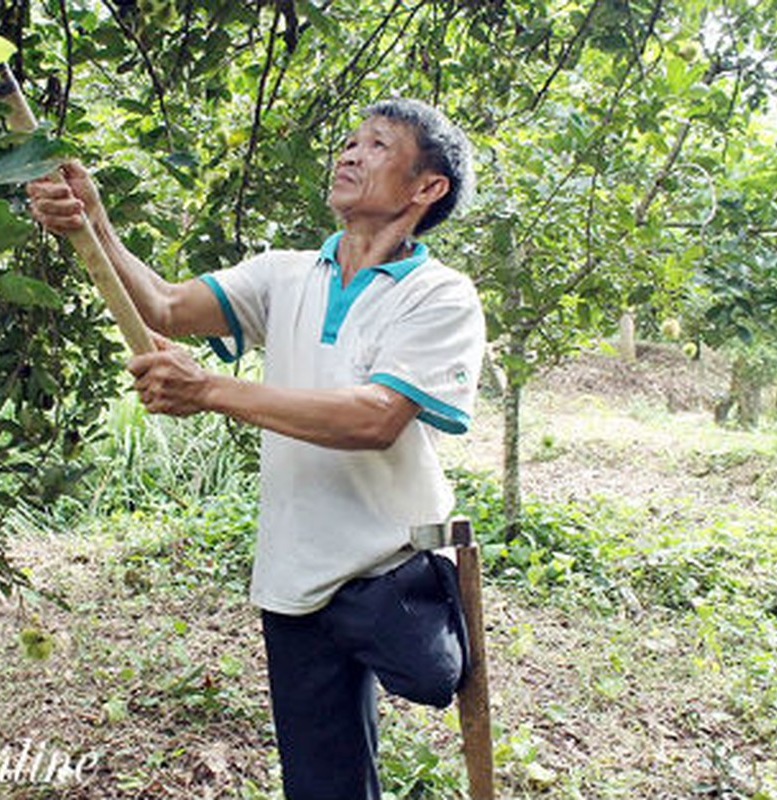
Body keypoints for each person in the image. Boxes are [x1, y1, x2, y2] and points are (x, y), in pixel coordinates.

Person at [27, 97, 485, 800]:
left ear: (427, 188)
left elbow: (375, 419)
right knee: (321, 782)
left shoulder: (440, 296)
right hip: (294, 573)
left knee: (432, 675)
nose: (349, 154)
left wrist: (209, 389)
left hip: (386, 564)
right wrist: (95, 222)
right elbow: (166, 307)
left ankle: (428, 618)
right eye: (350, 141)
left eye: (378, 146)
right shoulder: (285, 274)